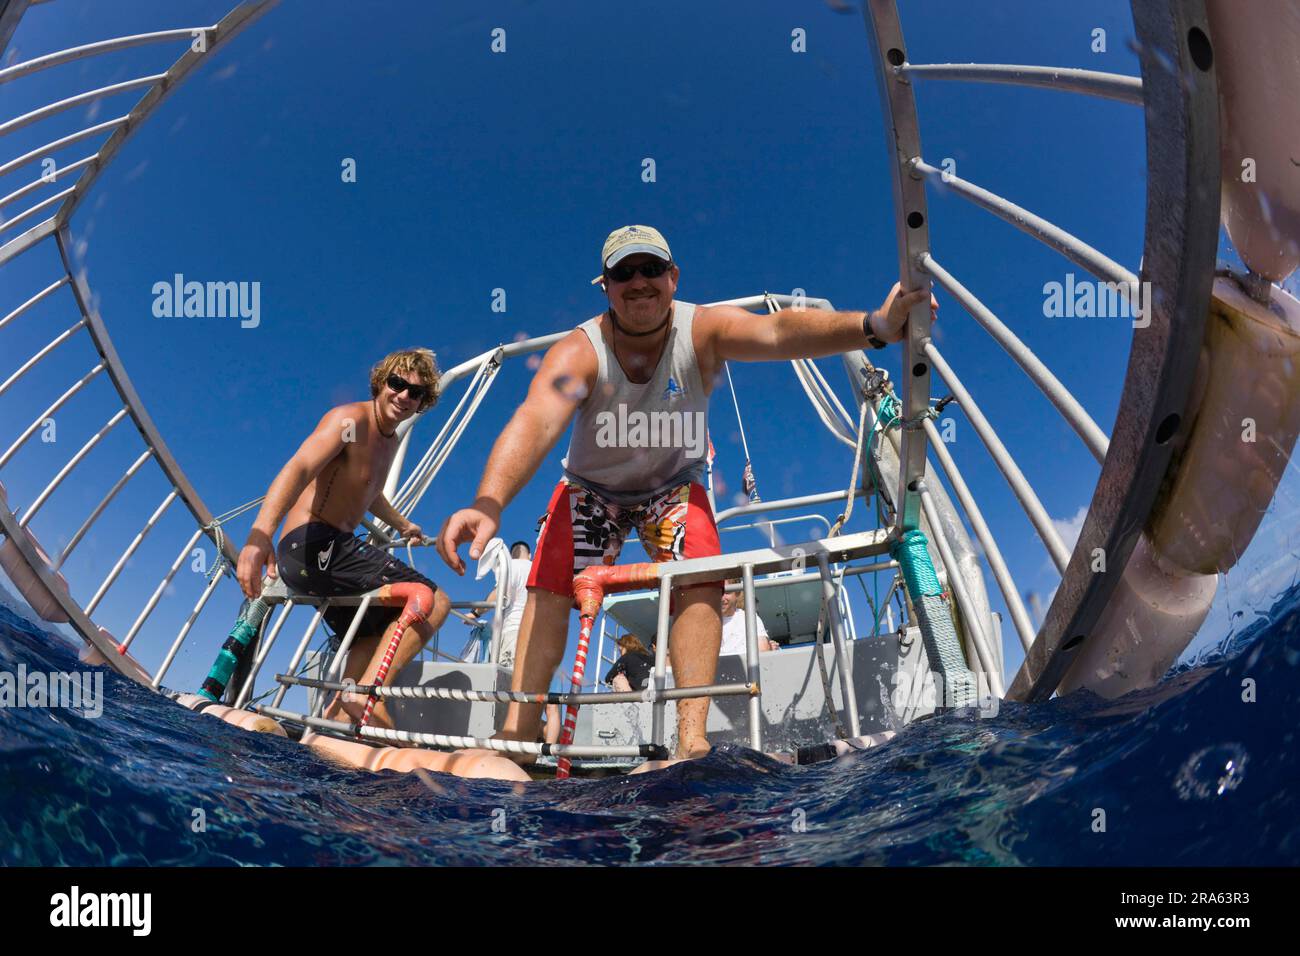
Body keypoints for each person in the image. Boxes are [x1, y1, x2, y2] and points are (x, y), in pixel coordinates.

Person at [436, 224, 933, 762]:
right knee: (550, 581)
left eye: (651, 269)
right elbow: (534, 419)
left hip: (671, 487)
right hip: (591, 488)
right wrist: (488, 503)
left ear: (673, 277)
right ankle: (519, 733)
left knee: (699, 570)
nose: (639, 282)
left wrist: (874, 327)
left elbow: (779, 333)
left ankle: (690, 738)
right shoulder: (579, 349)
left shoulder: (703, 329)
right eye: (623, 272)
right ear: (605, 286)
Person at [234, 349, 524, 781]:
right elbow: (298, 468)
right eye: (397, 384)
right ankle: (370, 696)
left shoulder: (388, 443)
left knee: (377, 624)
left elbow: (371, 494)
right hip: (313, 544)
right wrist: (259, 535)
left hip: (327, 554)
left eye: (417, 392)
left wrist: (403, 524)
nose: (404, 395)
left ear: (424, 401)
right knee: (434, 600)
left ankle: (342, 711)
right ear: (380, 382)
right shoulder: (350, 421)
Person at [465, 540, 532, 666]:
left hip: (515, 632)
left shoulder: (511, 566)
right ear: (529, 555)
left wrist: (475, 613)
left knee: (508, 682)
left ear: (511, 555)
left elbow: (498, 593)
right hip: (538, 636)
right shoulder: (538, 570)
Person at [720, 580, 779, 656]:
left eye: (727, 592)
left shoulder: (749, 618)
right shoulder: (705, 621)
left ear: (737, 594)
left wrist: (769, 647)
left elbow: (763, 649)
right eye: (719, 592)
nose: (722, 598)